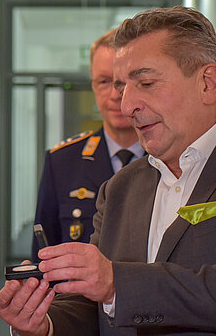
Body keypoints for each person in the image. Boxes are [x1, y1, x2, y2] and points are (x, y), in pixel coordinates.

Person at [0, 5, 216, 335]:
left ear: (208, 83)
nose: (126, 105)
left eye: (145, 82)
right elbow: (93, 304)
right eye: (121, 88)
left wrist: (118, 282)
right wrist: (43, 324)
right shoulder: (119, 189)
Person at [32, 29, 144, 262]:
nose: (116, 95)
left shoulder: (170, 158)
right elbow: (43, 255)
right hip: (77, 298)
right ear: (92, 85)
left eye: (123, 82)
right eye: (104, 81)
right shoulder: (62, 162)